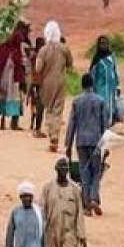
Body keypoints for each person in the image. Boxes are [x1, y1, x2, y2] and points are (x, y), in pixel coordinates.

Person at [66, 73, 107, 215]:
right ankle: (94, 198)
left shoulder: (76, 101)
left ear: (82, 85)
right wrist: (105, 145)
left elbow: (72, 124)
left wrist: (68, 145)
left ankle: (86, 206)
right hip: (96, 142)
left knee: (84, 173)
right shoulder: (100, 101)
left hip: (81, 142)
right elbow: (104, 125)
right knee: (96, 172)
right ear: (92, 84)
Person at [35, 21, 73, 151]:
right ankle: (55, 136)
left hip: (46, 84)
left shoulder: (43, 50)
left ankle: (52, 135)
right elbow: (70, 64)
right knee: (57, 110)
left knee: (49, 109)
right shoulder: (64, 49)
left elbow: (38, 68)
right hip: (60, 82)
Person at [0, 22, 28, 130]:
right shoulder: (13, 51)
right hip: (11, 80)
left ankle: (6, 123)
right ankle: (11, 123)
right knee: (13, 98)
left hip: (8, 79)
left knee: (7, 97)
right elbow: (18, 66)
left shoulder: (6, 49)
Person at [89, 35, 121, 125]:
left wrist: (118, 86)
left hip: (111, 88)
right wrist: (91, 89)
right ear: (98, 45)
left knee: (111, 107)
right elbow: (92, 74)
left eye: (106, 43)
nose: (104, 45)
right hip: (100, 88)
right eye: (102, 43)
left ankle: (109, 124)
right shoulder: (96, 59)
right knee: (102, 107)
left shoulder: (111, 56)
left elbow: (115, 71)